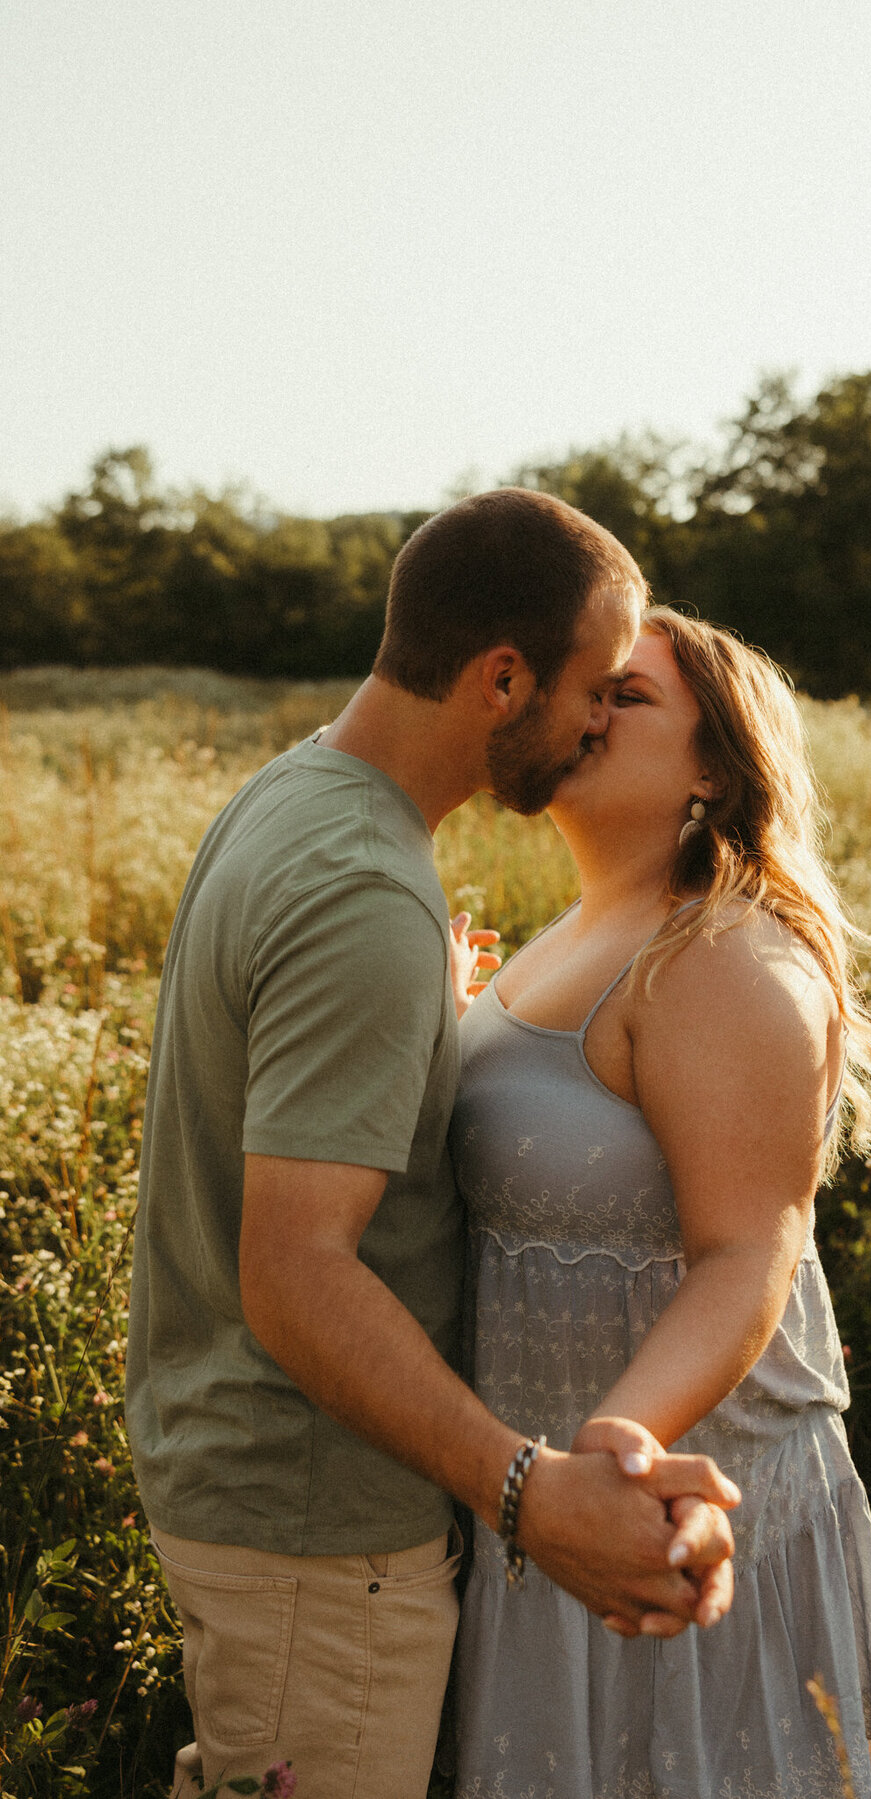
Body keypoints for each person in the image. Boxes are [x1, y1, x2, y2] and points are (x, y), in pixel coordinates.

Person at [124, 491, 741, 1799]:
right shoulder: (364, 886)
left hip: (247, 1481)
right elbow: (296, 1274)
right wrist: (525, 1489)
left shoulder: (301, 796)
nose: (593, 722)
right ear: (500, 677)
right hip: (315, 1518)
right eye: (592, 689)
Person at [449, 607, 871, 1799]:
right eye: (587, 687)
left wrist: (618, 1448)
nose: (586, 708)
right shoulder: (570, 930)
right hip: (547, 1506)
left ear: (713, 766)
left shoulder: (721, 954)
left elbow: (749, 1244)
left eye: (630, 695)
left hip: (678, 1507)